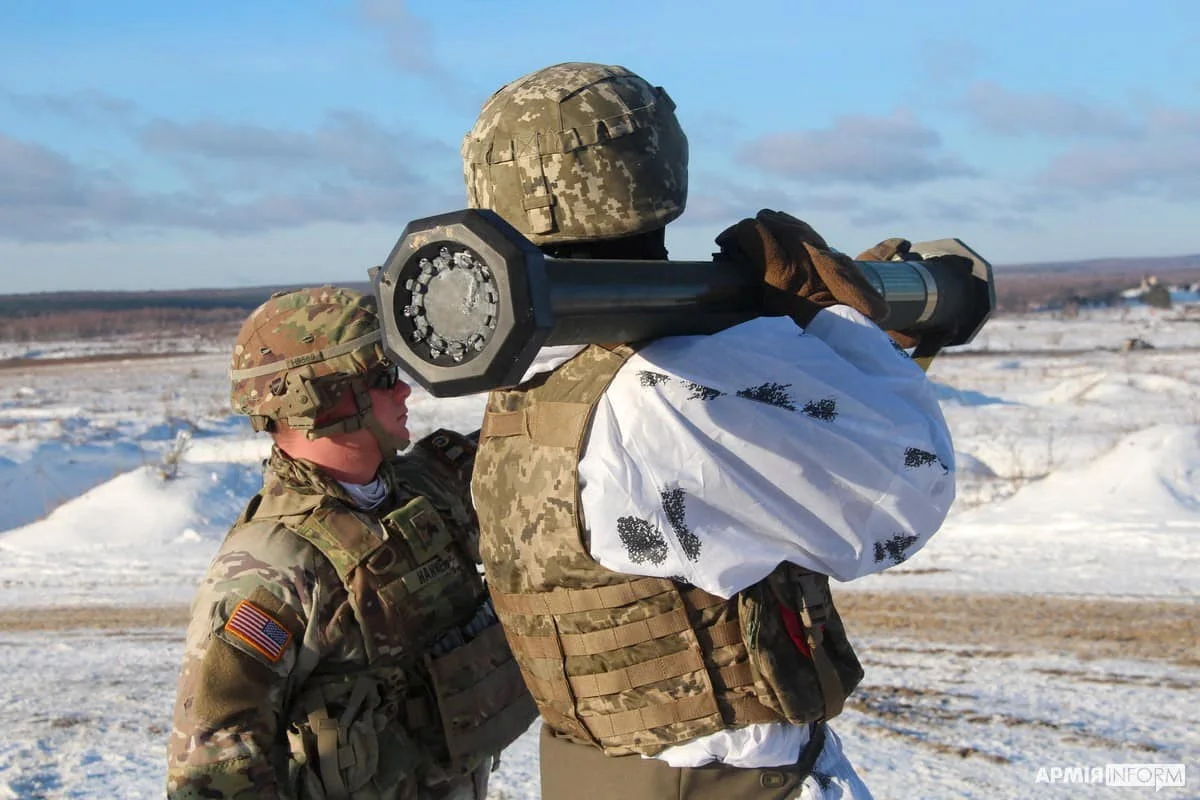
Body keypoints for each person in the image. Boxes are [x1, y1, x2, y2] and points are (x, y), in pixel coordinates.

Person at [462, 62, 957, 798]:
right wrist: (830, 320)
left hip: (592, 773)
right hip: (719, 781)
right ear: (656, 169)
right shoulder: (674, 386)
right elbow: (907, 488)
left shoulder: (533, 377)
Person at [166, 286, 536, 799]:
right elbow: (214, 768)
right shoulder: (271, 567)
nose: (404, 392)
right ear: (321, 400)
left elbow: (533, 443)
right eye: (384, 379)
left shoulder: (423, 490)